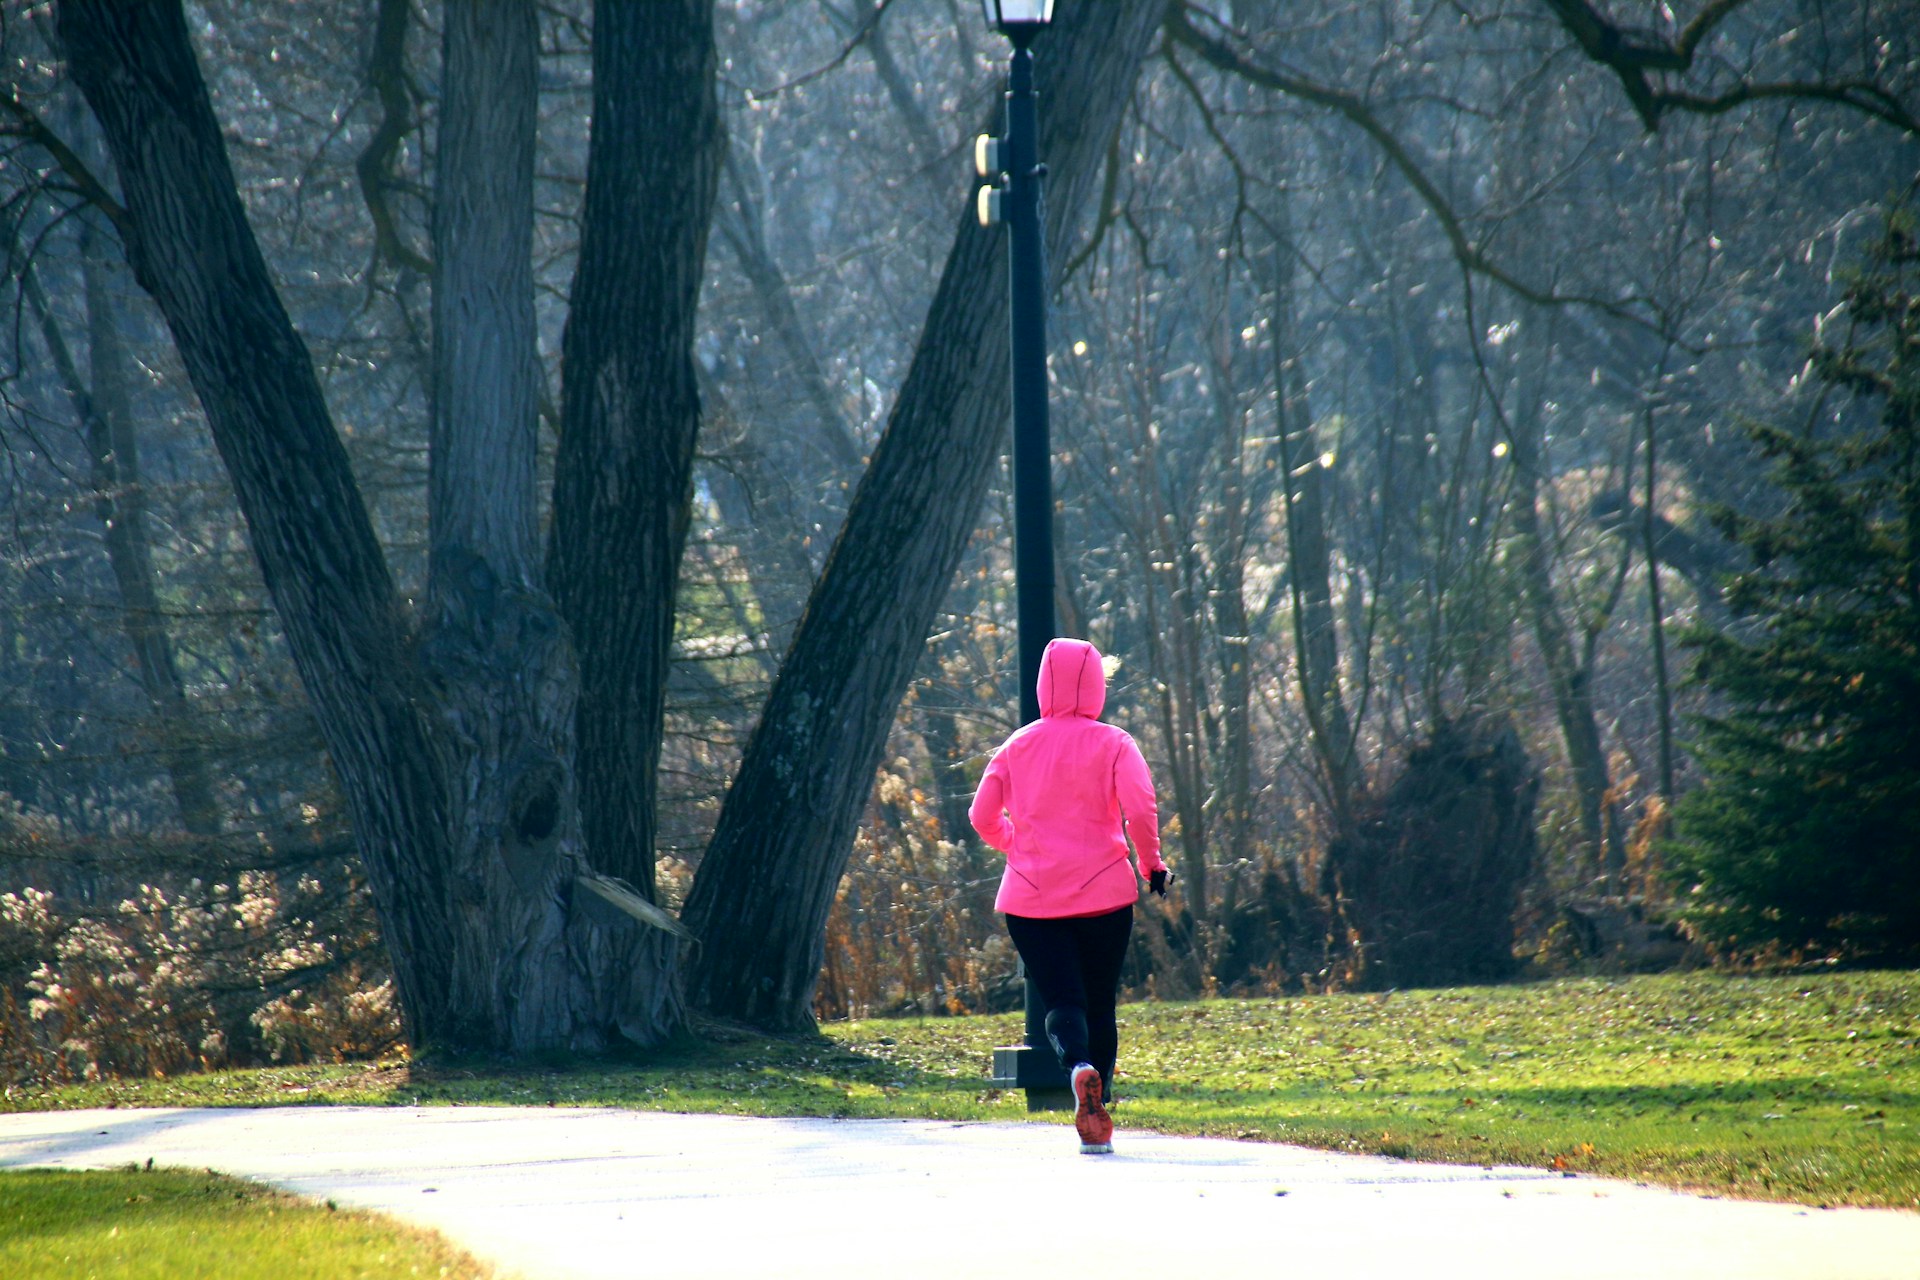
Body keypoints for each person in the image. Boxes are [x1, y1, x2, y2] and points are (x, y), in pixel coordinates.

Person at [968, 636, 1170, 1154]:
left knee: (1061, 999)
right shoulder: (1116, 743)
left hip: (1032, 900)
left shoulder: (1017, 745)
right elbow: (1141, 809)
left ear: (1042, 683)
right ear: (1097, 685)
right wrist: (1152, 864)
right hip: (1104, 893)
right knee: (1100, 1003)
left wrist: (1013, 844)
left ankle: (1077, 1068)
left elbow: (981, 815)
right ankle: (1099, 1109)